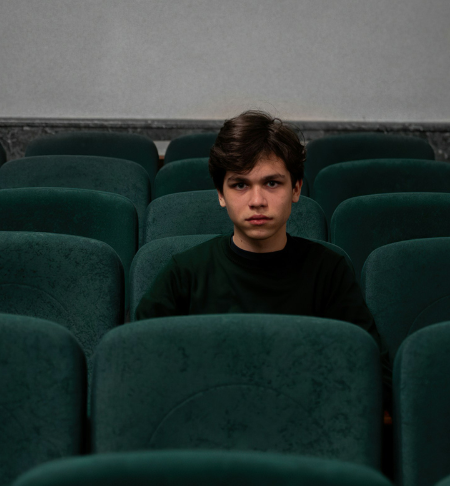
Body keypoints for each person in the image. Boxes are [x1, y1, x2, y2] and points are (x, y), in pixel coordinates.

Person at [136, 109, 392, 397]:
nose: (257, 201)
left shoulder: (328, 271)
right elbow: (138, 369)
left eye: (272, 183)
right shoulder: (183, 274)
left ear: (295, 189)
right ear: (221, 194)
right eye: (240, 185)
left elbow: (372, 373)